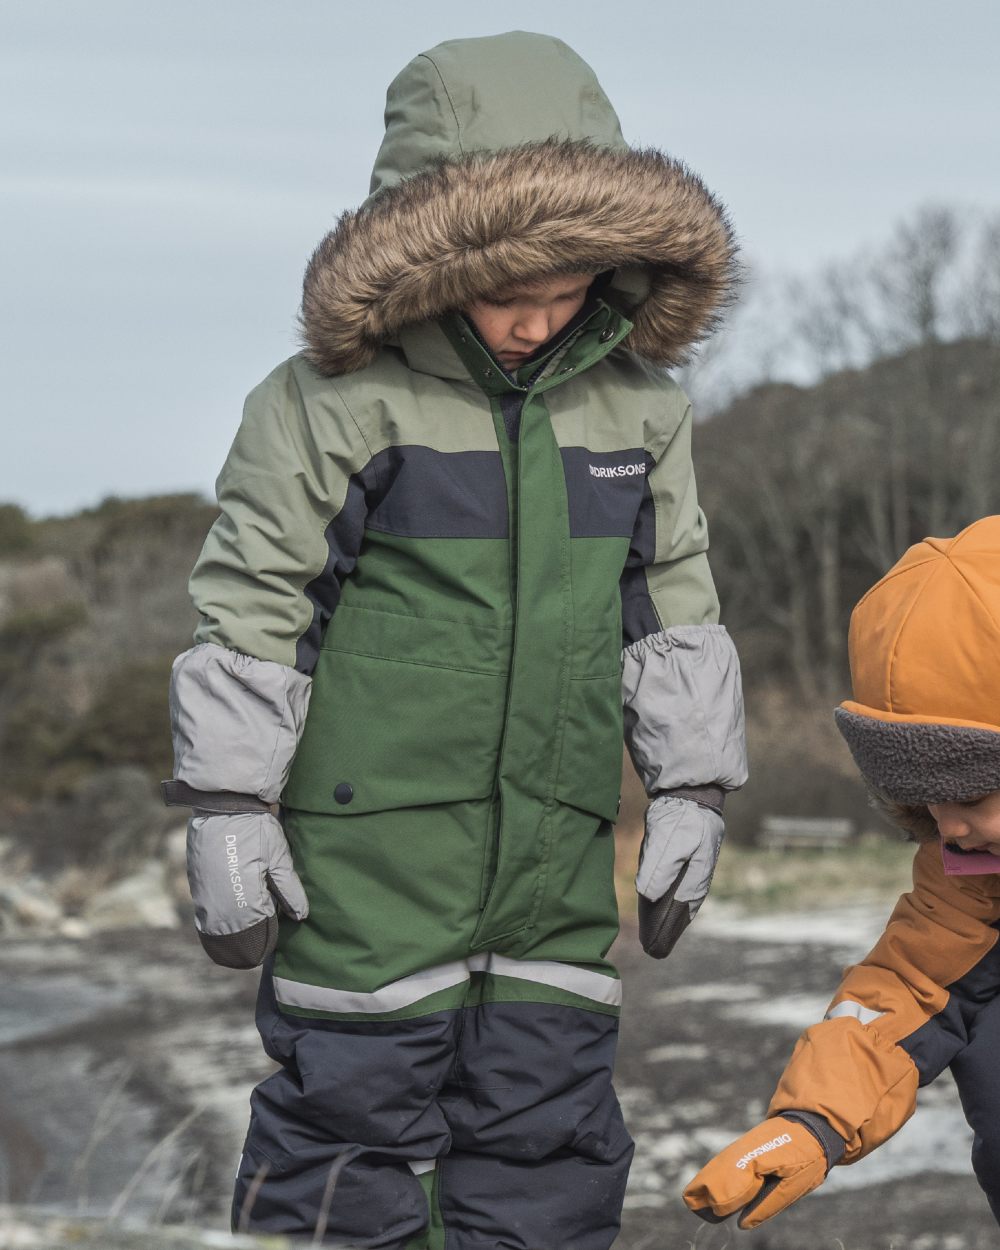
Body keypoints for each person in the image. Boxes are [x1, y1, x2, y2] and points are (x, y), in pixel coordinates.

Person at [164, 30, 747, 1249]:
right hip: (369, 859)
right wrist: (228, 800)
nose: (537, 321)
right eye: (505, 292)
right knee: (350, 1132)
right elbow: (259, 601)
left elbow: (671, 594)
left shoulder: (637, 409)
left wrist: (692, 780)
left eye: (566, 287)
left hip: (552, 854)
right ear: (430, 258)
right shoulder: (336, 402)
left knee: (550, 1136)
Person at [683, 515, 1000, 1231]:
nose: (947, 827)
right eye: (922, 800)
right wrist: (810, 1123)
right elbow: (899, 994)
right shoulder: (973, 887)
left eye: (971, 796)